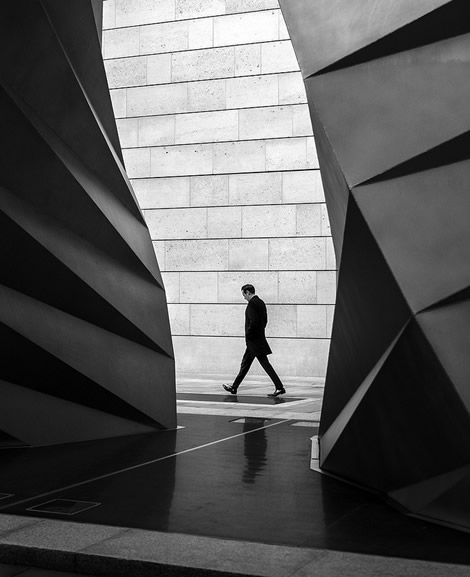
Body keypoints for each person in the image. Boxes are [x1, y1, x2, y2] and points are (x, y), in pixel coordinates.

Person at [223, 284, 286, 398]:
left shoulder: (252, 304)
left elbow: (253, 322)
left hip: (254, 341)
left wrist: (249, 334)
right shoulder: (261, 302)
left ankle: (279, 387)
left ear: (248, 292)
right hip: (257, 339)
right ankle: (234, 387)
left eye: (244, 294)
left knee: (264, 364)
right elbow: (265, 321)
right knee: (245, 364)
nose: (244, 297)